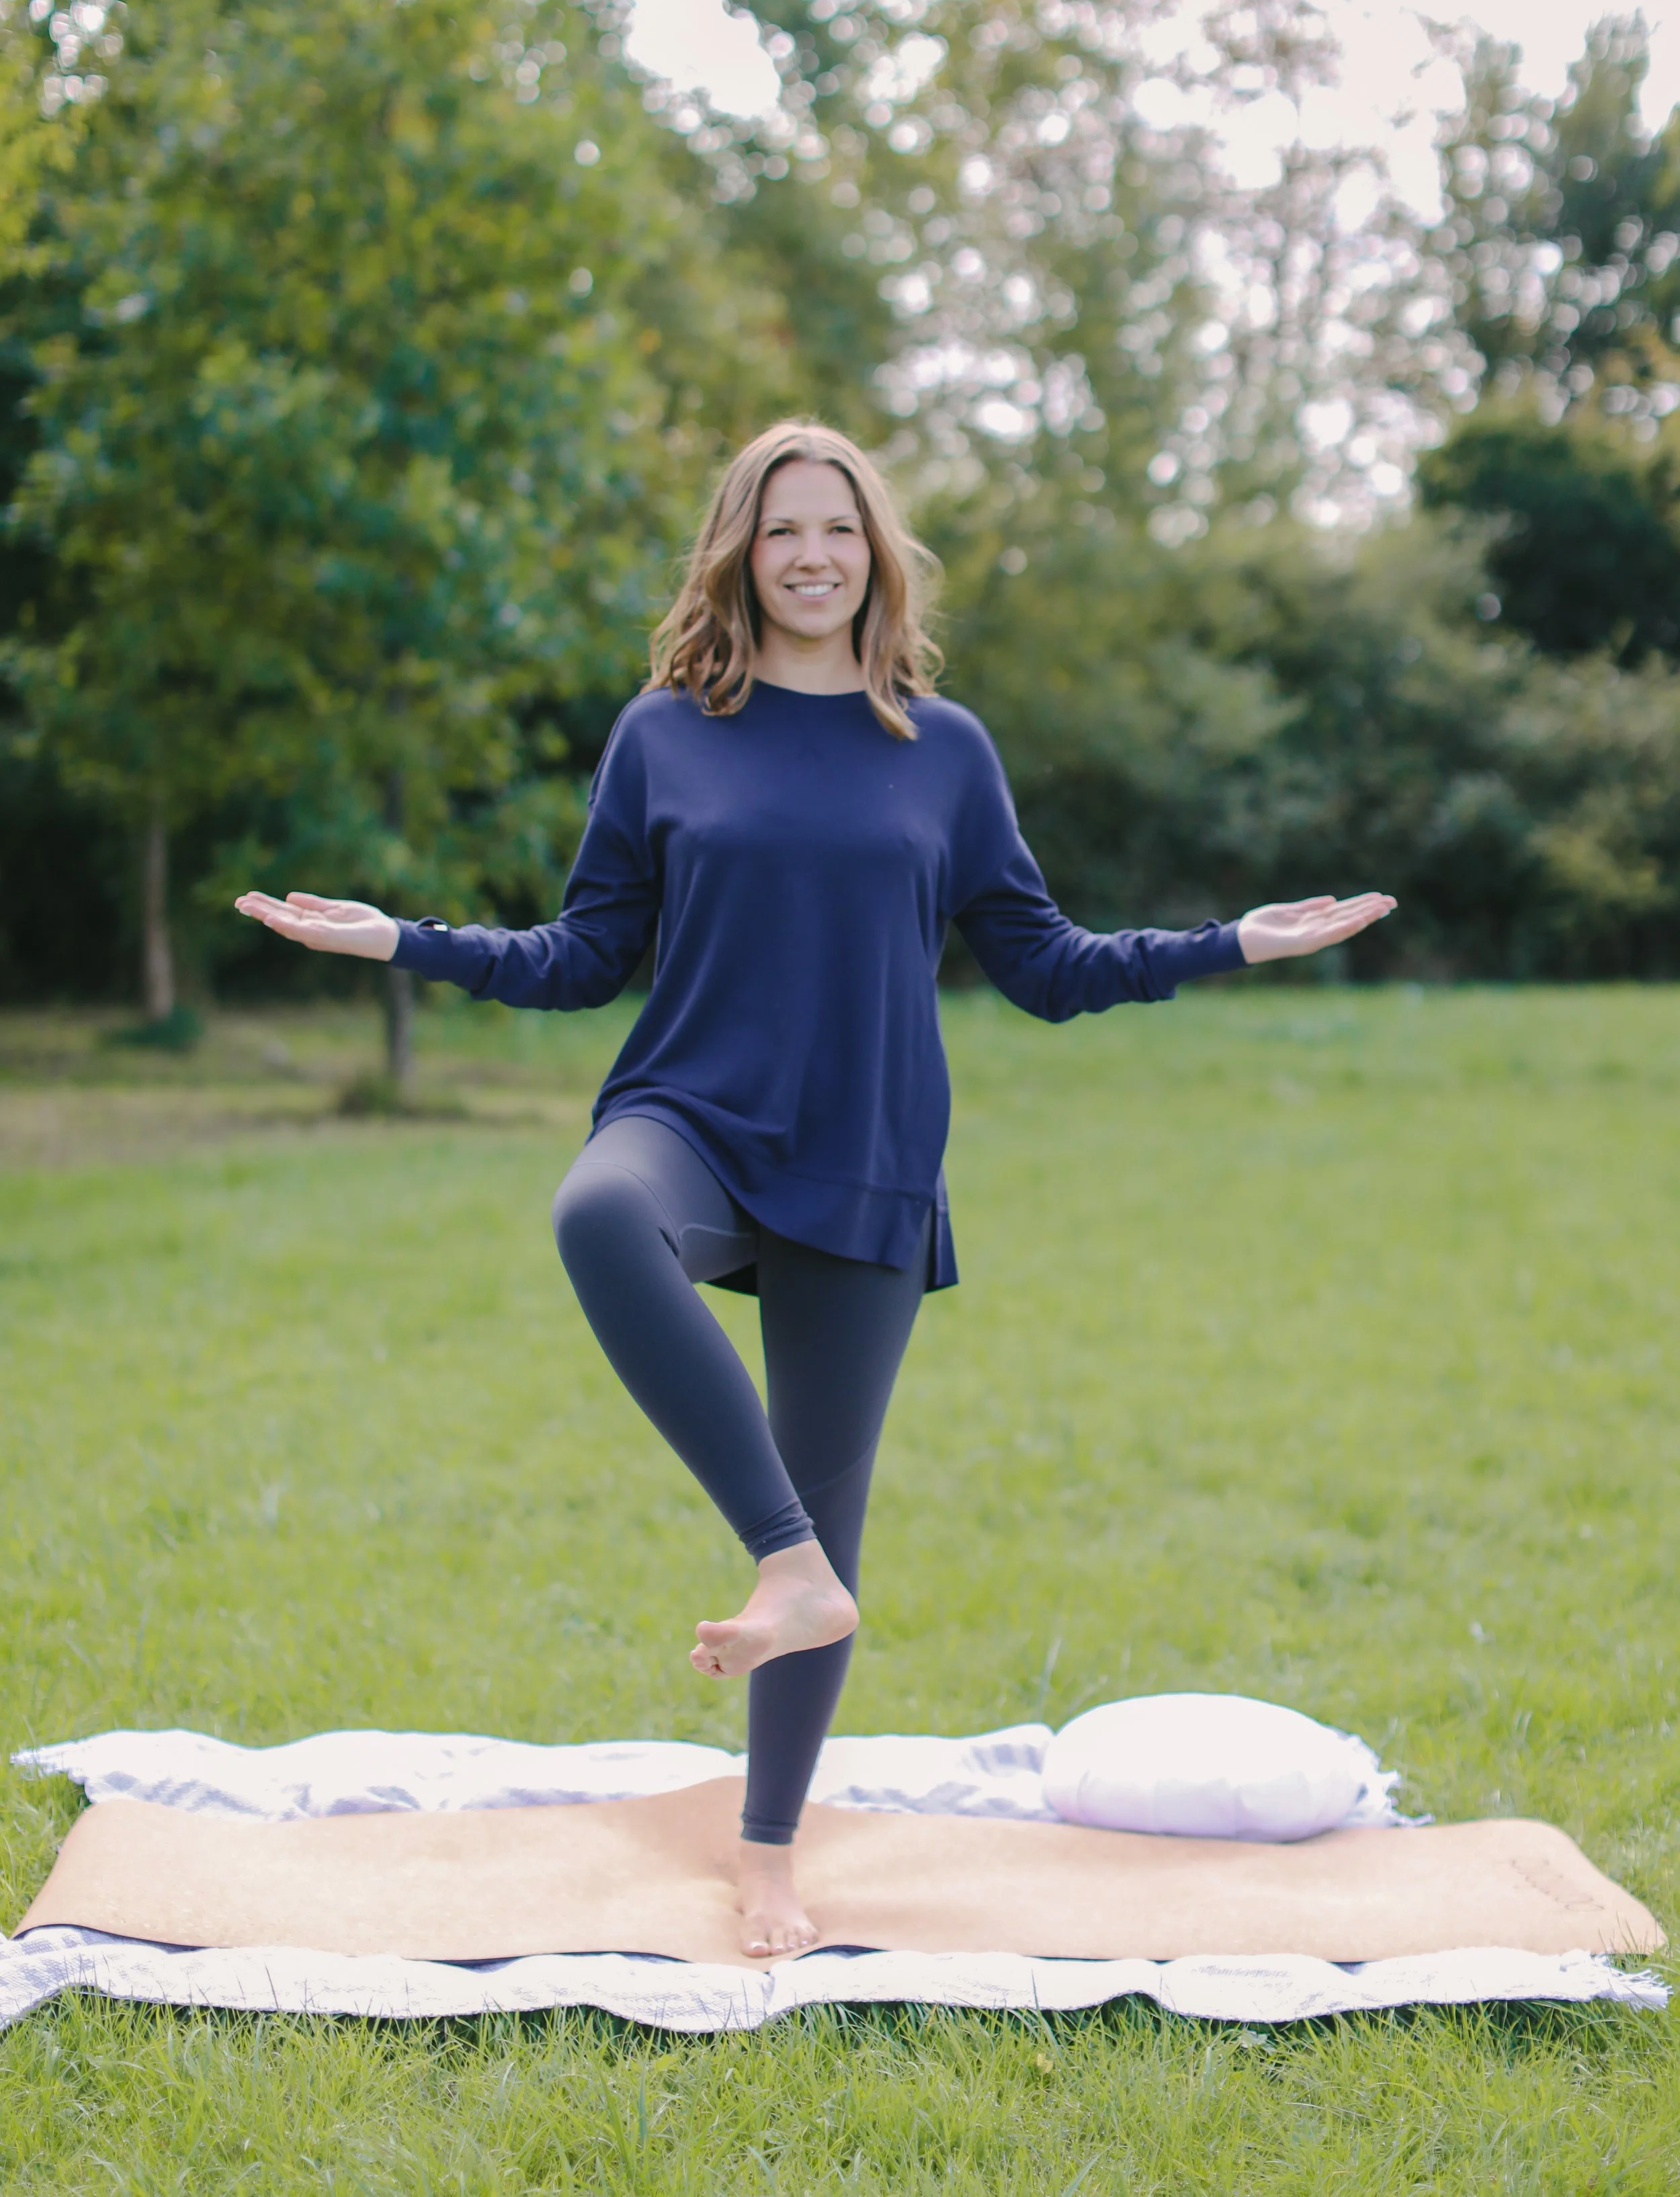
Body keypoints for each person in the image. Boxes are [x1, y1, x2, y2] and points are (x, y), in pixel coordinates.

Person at [237, 420, 1395, 1956]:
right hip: (692, 1115)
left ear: (875, 554)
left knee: (827, 1516)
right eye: (780, 530)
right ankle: (781, 1562)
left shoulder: (943, 749)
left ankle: (768, 1849)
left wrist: (1227, 943)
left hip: (862, 1147)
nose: (809, 556)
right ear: (739, 549)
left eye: (836, 531)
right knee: (598, 1215)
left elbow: (1040, 968)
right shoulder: (665, 732)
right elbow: (583, 954)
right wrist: (401, 941)